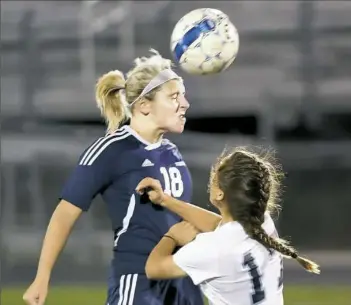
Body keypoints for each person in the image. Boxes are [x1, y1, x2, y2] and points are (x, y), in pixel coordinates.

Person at [22, 50, 212, 305]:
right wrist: (42, 276)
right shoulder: (112, 149)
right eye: (174, 96)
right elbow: (65, 213)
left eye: (183, 96)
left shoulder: (171, 152)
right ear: (144, 105)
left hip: (182, 282)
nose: (185, 104)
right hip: (139, 281)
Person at [136, 147, 320, 305]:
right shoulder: (263, 222)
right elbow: (221, 226)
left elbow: (154, 268)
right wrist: (165, 200)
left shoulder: (211, 248)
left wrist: (172, 236)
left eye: (214, 179)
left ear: (219, 194)